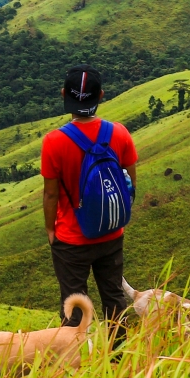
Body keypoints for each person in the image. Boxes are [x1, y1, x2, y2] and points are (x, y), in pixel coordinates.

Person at [41, 64, 138, 340]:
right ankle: (118, 362)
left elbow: (50, 194)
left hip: (72, 239)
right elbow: (129, 183)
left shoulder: (54, 141)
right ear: (102, 95)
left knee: (73, 306)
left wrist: (51, 230)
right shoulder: (119, 133)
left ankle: (73, 368)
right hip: (111, 233)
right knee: (114, 300)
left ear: (63, 95)